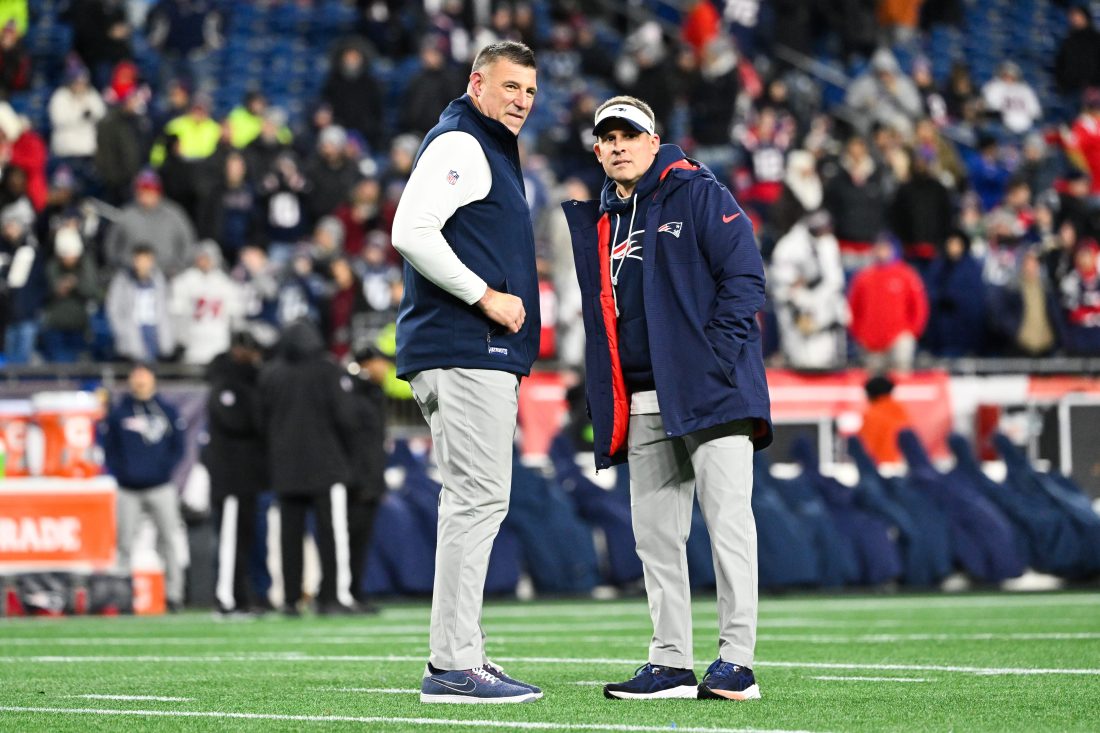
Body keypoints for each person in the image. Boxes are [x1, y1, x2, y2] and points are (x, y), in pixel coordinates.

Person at [561, 95, 772, 701]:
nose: (619, 145)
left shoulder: (699, 192)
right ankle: (672, 662)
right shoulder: (601, 219)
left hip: (714, 394)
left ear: (655, 142)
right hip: (645, 396)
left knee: (728, 526)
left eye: (631, 134)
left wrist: (713, 362)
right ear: (597, 150)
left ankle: (737, 661)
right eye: (608, 137)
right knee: (654, 535)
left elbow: (745, 278)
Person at [391, 40, 542, 704]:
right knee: (477, 500)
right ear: (476, 83)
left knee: (473, 500)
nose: (522, 101)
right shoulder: (460, 143)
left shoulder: (482, 146)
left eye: (530, 92)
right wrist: (484, 294)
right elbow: (411, 230)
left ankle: (462, 651)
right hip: (464, 346)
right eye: (510, 87)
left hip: (469, 350)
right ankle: (452, 660)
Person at [257, 319, 358, 617]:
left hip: (286, 468)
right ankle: (333, 597)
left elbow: (261, 421)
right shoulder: (328, 371)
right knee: (332, 535)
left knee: (289, 537)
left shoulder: (271, 374)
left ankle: (290, 599)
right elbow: (346, 418)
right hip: (327, 467)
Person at [101, 363, 187, 611]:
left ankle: (174, 595)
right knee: (124, 542)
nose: (139, 381)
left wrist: (163, 470)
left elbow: (178, 447)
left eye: (144, 376)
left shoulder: (167, 411)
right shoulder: (119, 412)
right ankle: (123, 596)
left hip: (161, 486)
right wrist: (122, 472)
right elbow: (110, 448)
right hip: (128, 488)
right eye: (135, 376)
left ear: (153, 379)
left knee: (169, 540)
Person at [203, 330, 267, 614]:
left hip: (247, 475)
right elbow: (237, 421)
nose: (256, 357)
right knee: (230, 539)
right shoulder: (226, 382)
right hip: (230, 475)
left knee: (242, 540)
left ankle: (241, 596)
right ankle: (226, 597)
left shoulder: (248, 382)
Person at [345, 345, 391, 612]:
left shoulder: (373, 393)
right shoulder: (353, 394)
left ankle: (355, 591)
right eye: (379, 362)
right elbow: (356, 445)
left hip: (369, 480)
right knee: (351, 540)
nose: (384, 368)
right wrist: (361, 480)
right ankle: (345, 591)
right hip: (357, 482)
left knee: (361, 542)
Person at [848, 234, 929, 373]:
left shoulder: (906, 275)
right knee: (873, 386)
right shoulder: (864, 277)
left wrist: (911, 332)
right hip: (871, 342)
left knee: (901, 380)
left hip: (898, 338)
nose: (882, 252)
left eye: (885, 248)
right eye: (879, 248)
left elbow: (919, 307)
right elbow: (853, 307)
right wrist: (859, 334)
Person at [858, 374, 911, 465]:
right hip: (902, 465)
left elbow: (866, 446)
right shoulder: (901, 411)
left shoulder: (872, 415)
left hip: (880, 466)